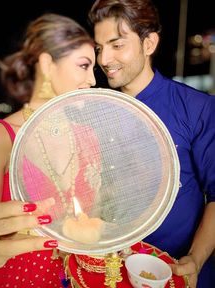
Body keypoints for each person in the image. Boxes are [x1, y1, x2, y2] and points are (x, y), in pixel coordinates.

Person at [88, 0, 215, 287]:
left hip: (179, 271)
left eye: (116, 45)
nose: (104, 59)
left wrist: (195, 259)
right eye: (99, 48)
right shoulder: (97, 109)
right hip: (110, 271)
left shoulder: (196, 107)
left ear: (149, 44)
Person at [0, 13, 97, 287]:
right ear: (46, 64)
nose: (92, 79)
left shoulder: (87, 136)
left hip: (73, 278)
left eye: (94, 69)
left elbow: (91, 219)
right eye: (83, 66)